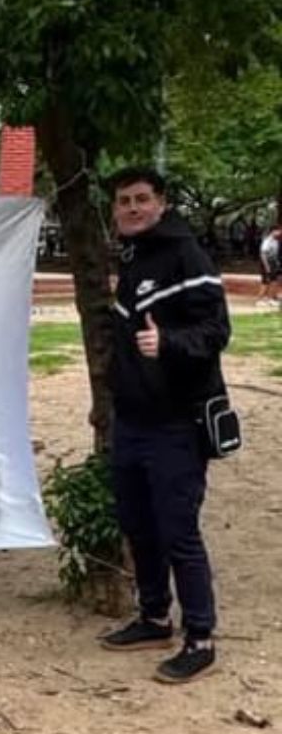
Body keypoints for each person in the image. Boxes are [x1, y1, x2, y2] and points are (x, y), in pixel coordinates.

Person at [100, 166, 229, 684]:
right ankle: (154, 618)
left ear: (162, 203)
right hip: (131, 421)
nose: (131, 208)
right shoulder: (133, 256)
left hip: (176, 422)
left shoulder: (185, 254)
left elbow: (217, 329)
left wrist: (169, 344)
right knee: (138, 525)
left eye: (141, 199)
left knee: (179, 532)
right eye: (123, 201)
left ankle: (201, 638)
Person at [260, 225, 282, 306]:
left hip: (273, 263)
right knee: (266, 281)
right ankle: (260, 299)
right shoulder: (267, 241)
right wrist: (267, 267)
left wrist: (277, 264)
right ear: (273, 231)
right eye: (278, 231)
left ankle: (271, 298)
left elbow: (275, 255)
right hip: (267, 263)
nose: (280, 233)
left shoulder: (276, 241)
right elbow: (263, 254)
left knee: (274, 281)